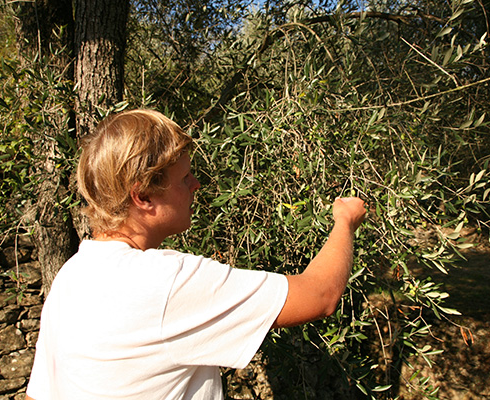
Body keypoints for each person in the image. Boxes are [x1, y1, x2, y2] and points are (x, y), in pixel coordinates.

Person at [25, 109, 367, 400]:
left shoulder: (72, 276)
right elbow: (320, 294)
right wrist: (344, 221)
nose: (196, 185)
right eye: (184, 178)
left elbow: (38, 393)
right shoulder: (164, 283)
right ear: (143, 195)